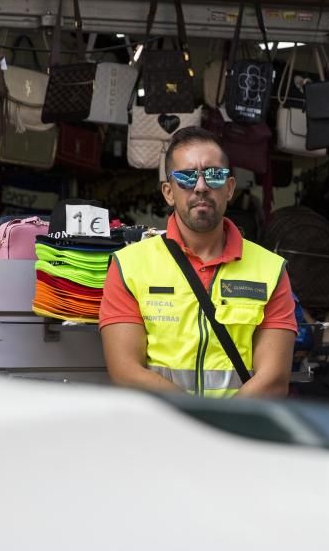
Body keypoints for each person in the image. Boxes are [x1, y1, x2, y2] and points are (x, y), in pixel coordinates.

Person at [99, 127, 297, 398]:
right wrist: (195, 421)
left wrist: (218, 430)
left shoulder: (270, 271)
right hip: (160, 432)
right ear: (168, 192)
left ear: (229, 189)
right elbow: (125, 372)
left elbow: (273, 380)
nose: (201, 186)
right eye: (187, 177)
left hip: (237, 434)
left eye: (214, 176)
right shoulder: (129, 266)